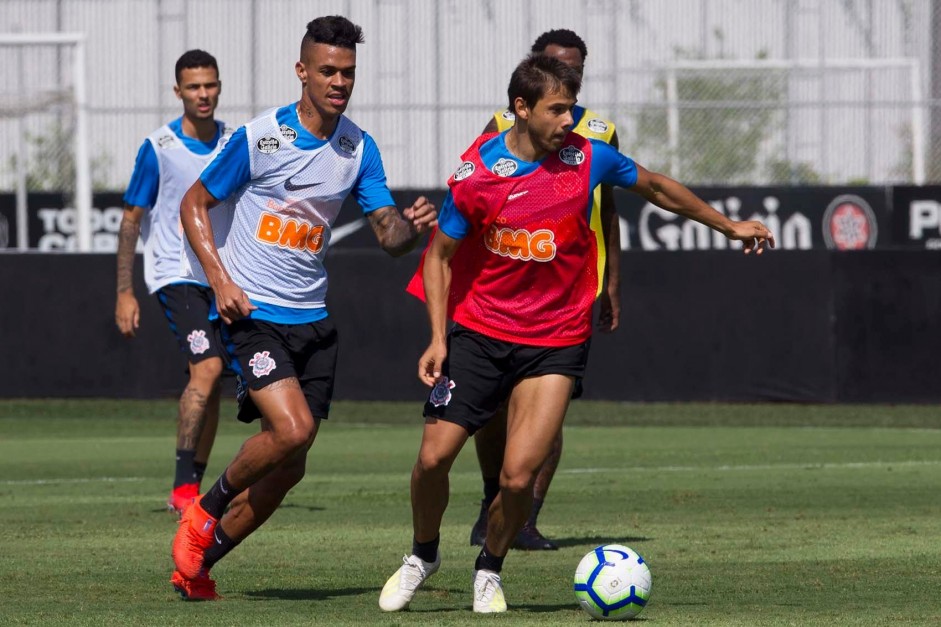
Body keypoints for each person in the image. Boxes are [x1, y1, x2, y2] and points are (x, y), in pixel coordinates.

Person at [379, 53, 773, 614]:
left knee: (517, 481)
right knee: (432, 460)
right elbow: (439, 258)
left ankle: (489, 569)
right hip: (480, 334)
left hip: (555, 340)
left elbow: (657, 187)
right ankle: (423, 555)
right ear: (522, 108)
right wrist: (439, 338)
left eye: (572, 106)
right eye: (558, 109)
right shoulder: (477, 174)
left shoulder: (588, 157)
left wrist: (728, 225)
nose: (570, 119)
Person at [170, 15, 436, 602]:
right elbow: (194, 201)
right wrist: (219, 280)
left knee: (290, 466)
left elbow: (388, 236)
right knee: (293, 431)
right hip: (253, 313)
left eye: (348, 73)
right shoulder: (262, 138)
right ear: (302, 72)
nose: (339, 82)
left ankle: (198, 565)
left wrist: (410, 230)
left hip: (313, 321)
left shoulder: (358, 148)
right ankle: (202, 512)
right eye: (327, 71)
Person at [470, 28, 621, 552]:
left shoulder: (600, 131)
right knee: (490, 410)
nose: (567, 73)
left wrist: (612, 281)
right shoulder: (501, 126)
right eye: (556, 65)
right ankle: (494, 499)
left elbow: (611, 207)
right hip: (508, 291)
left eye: (575, 67)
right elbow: (477, 199)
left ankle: (526, 517)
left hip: (570, 292)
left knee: (547, 412)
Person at [115, 49, 231, 517]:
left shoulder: (233, 142)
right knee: (208, 369)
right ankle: (184, 488)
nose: (203, 94)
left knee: (213, 376)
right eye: (194, 86)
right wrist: (124, 290)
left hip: (221, 276)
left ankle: (192, 488)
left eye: (210, 85)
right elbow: (130, 219)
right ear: (178, 91)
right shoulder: (159, 147)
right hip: (175, 273)